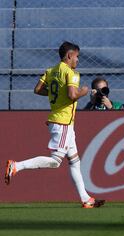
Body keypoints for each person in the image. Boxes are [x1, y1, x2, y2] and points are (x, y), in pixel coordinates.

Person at [4, 41, 105, 208]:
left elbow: (37, 89)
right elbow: (73, 95)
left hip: (60, 121)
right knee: (56, 161)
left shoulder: (50, 71)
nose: (78, 60)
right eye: (77, 56)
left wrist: (55, 94)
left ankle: (86, 199)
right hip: (63, 122)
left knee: (74, 161)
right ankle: (16, 166)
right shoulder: (71, 73)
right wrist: (84, 91)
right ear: (69, 55)